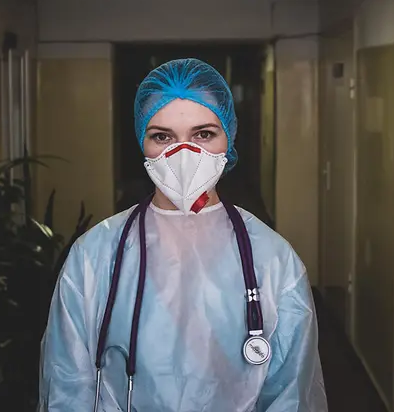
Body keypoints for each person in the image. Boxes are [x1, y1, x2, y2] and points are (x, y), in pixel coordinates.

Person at [38, 58, 327, 411]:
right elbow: (68, 385)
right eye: (162, 137)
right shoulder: (94, 254)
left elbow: (291, 395)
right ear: (141, 142)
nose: (184, 154)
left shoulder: (273, 259)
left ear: (229, 138)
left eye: (203, 134)